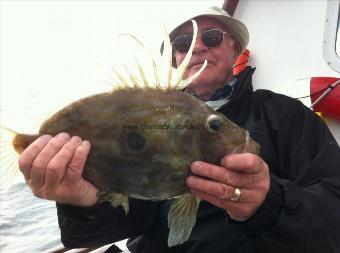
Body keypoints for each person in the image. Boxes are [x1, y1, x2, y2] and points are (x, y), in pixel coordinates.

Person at [18, 6, 340, 253]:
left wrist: (268, 204)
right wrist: (82, 204)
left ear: (235, 49)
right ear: (174, 59)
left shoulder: (284, 115)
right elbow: (112, 225)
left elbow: (333, 215)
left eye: (211, 38)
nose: (196, 48)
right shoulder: (151, 119)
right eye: (183, 43)